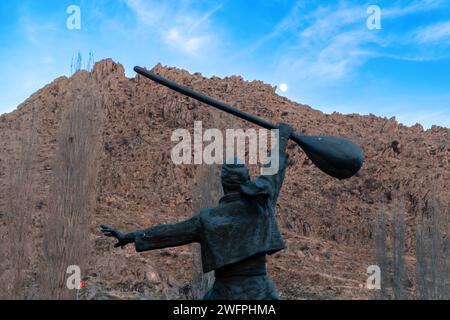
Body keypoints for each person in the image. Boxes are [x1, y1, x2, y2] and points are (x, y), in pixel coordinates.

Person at [100, 123, 294, 299]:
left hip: (224, 293)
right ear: (247, 179)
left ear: (223, 184)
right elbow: (272, 174)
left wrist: (129, 236)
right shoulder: (262, 206)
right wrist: (282, 139)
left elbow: (169, 232)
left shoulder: (207, 219)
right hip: (261, 292)